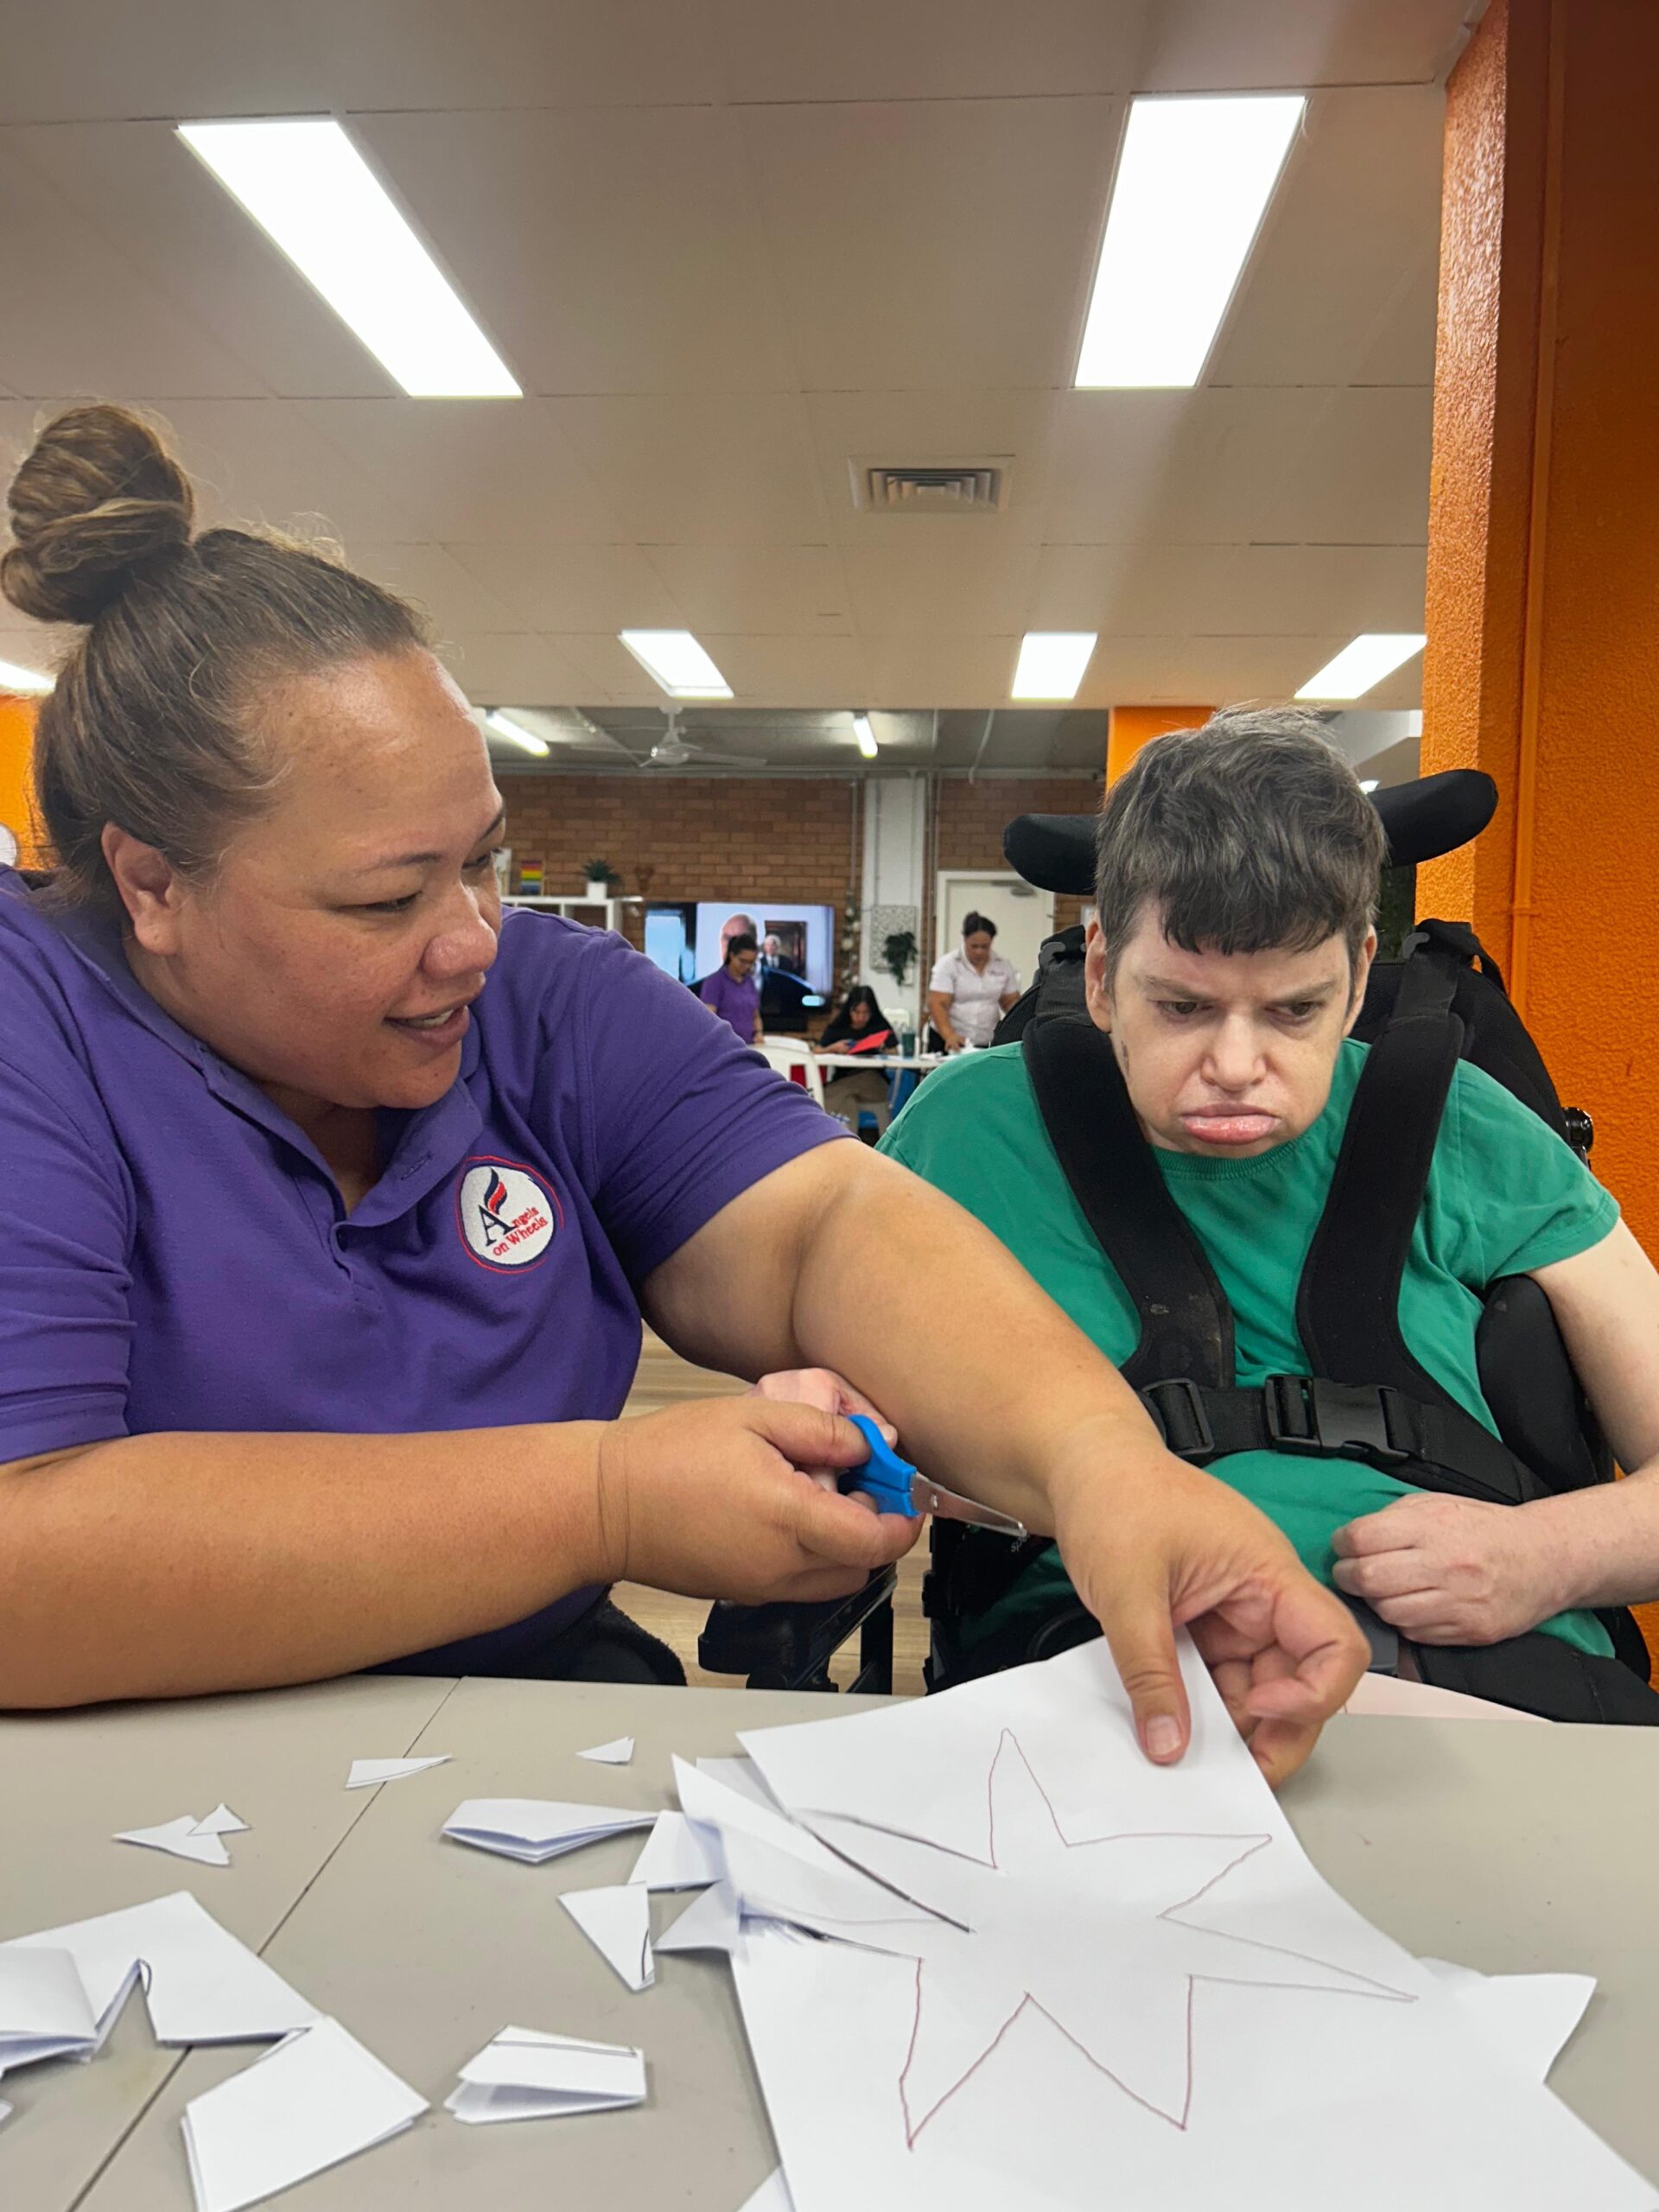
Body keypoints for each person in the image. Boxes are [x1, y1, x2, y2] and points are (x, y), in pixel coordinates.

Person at [0, 407, 1368, 1780]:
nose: (471, 934)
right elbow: (25, 1564)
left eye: (483, 861)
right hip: (125, 1771)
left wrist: (1103, 1466)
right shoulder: (31, 1021)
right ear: (151, 888)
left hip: (519, 1732)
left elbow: (821, 1227)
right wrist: (607, 1500)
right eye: (385, 898)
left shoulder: (538, 998)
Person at [881, 708, 1659, 1721]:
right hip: (1101, 1678)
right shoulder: (971, 1131)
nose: (1237, 1065)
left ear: (1357, 978)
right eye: (1184, 1006)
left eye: (1295, 1009)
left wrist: (1546, 1557)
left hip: (1495, 1672)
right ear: (1107, 975)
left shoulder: (1464, 1127)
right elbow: (832, 1414)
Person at [928, 912, 1020, 1052]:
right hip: (950, 1040)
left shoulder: (1003, 965)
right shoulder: (948, 964)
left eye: (984, 947)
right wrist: (949, 1035)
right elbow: (937, 1004)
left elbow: (1011, 1002)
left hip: (986, 1040)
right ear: (965, 940)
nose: (979, 952)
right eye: (974, 946)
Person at [817, 985, 897, 1135]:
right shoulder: (839, 1027)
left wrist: (882, 1048)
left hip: (873, 1082)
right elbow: (816, 1051)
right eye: (857, 1012)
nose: (861, 1017)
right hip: (844, 1080)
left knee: (827, 1092)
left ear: (872, 1012)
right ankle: (851, 1142)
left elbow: (895, 1052)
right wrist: (833, 1048)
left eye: (866, 1013)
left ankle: (819, 1116)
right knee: (848, 1102)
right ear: (849, 1010)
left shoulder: (879, 1025)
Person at [698, 930, 766, 1045]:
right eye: (743, 961)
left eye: (751, 963)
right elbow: (708, 1020)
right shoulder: (715, 982)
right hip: (723, 1048)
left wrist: (758, 1033)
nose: (747, 966)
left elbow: (755, 1016)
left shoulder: (749, 982)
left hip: (747, 1046)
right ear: (732, 955)